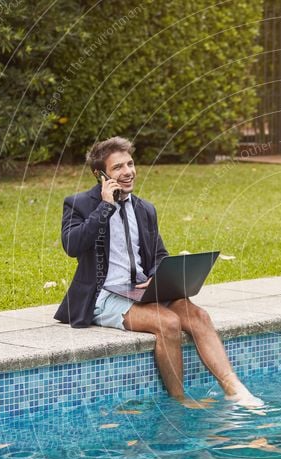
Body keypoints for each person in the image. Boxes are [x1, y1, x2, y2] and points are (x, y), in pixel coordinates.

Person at [53, 136, 262, 407]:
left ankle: (234, 389)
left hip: (141, 289)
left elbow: (158, 253)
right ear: (100, 174)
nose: (128, 171)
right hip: (102, 295)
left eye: (130, 163)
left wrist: (155, 276)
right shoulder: (78, 204)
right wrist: (105, 206)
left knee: (198, 315)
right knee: (168, 322)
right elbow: (72, 245)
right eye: (117, 167)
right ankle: (180, 399)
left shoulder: (144, 208)